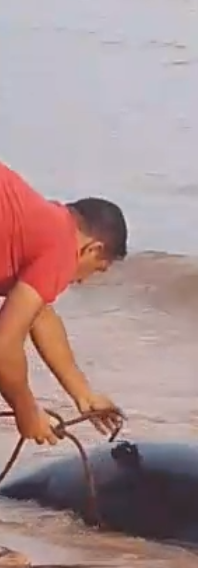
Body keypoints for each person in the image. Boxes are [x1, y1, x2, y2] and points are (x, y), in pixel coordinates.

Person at [0, 162, 128, 446]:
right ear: (93, 248)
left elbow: (38, 314)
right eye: (97, 268)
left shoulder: (39, 222)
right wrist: (26, 411)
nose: (81, 281)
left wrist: (83, 394)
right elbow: (4, 347)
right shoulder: (60, 246)